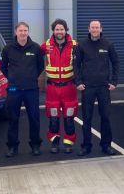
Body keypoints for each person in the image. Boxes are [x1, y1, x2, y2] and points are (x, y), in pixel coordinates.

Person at [75, 20, 119, 156]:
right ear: (88, 29)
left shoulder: (108, 44)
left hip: (103, 87)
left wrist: (114, 81)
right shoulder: (81, 45)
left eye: (97, 27)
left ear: (101, 29)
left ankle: (106, 145)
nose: (94, 30)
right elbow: (76, 64)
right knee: (86, 118)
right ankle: (86, 146)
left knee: (105, 117)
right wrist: (78, 82)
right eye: (92, 27)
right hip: (87, 87)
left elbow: (115, 62)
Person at [0, 21, 44, 157]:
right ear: (16, 32)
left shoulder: (36, 48)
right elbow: (2, 67)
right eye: (21, 31)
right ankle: (12, 147)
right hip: (14, 89)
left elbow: (40, 66)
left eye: (25, 31)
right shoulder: (8, 49)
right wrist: (12, 78)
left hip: (31, 89)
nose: (23, 33)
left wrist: (31, 78)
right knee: (13, 118)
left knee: (34, 118)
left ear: (28, 32)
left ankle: (35, 145)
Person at [40, 19, 78, 154]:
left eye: (62, 29)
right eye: (57, 29)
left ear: (66, 30)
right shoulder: (46, 46)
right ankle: (54, 143)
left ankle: (68, 143)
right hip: (52, 88)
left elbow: (83, 64)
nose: (59, 32)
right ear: (53, 30)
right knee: (53, 117)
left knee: (69, 117)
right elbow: (35, 60)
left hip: (69, 87)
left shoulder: (75, 45)